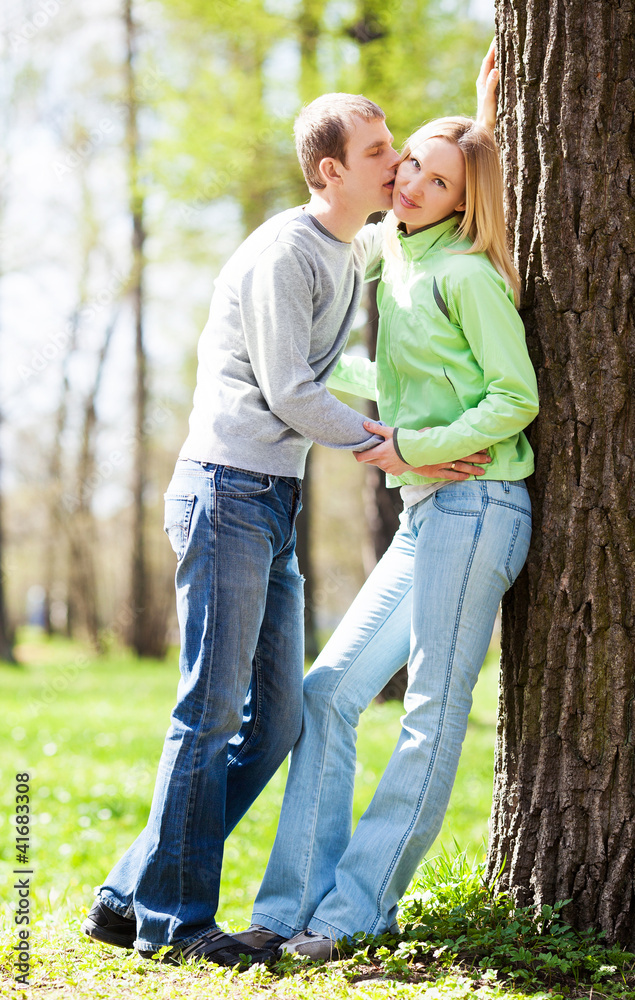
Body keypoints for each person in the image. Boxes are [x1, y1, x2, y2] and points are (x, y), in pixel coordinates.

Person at [82, 59, 499, 967]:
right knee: (208, 711)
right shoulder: (286, 253)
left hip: (271, 501)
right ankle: (177, 922)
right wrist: (389, 443)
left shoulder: (354, 247)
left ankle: (127, 893)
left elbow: (459, 184)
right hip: (225, 493)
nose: (395, 165)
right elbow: (289, 390)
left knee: (274, 720)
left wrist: (488, 112)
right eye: (380, 151)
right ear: (330, 172)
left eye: (396, 149)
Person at [238, 115, 539, 960]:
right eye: (409, 164)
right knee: (328, 692)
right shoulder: (395, 254)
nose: (409, 183)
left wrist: (407, 447)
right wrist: (323, 374)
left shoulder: (466, 274)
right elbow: (394, 379)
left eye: (436, 181)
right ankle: (288, 908)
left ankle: (350, 917)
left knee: (431, 713)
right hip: (423, 516)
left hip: (480, 510)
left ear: (460, 201)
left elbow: (513, 398)